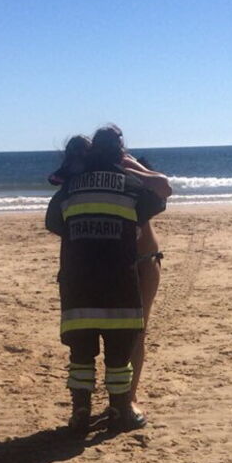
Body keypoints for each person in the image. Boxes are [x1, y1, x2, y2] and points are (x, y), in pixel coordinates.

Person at [45, 125, 166, 435]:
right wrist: (131, 169)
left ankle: (80, 412)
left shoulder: (71, 188)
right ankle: (120, 408)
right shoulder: (129, 184)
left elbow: (55, 223)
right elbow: (160, 194)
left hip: (79, 281)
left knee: (81, 354)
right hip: (120, 281)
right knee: (119, 352)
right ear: (119, 152)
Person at [119, 155, 171, 418]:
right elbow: (164, 186)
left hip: (145, 262)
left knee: (137, 332)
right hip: (134, 262)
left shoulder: (143, 194)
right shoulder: (125, 190)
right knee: (130, 333)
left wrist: (135, 168)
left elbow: (164, 187)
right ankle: (125, 396)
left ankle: (129, 395)